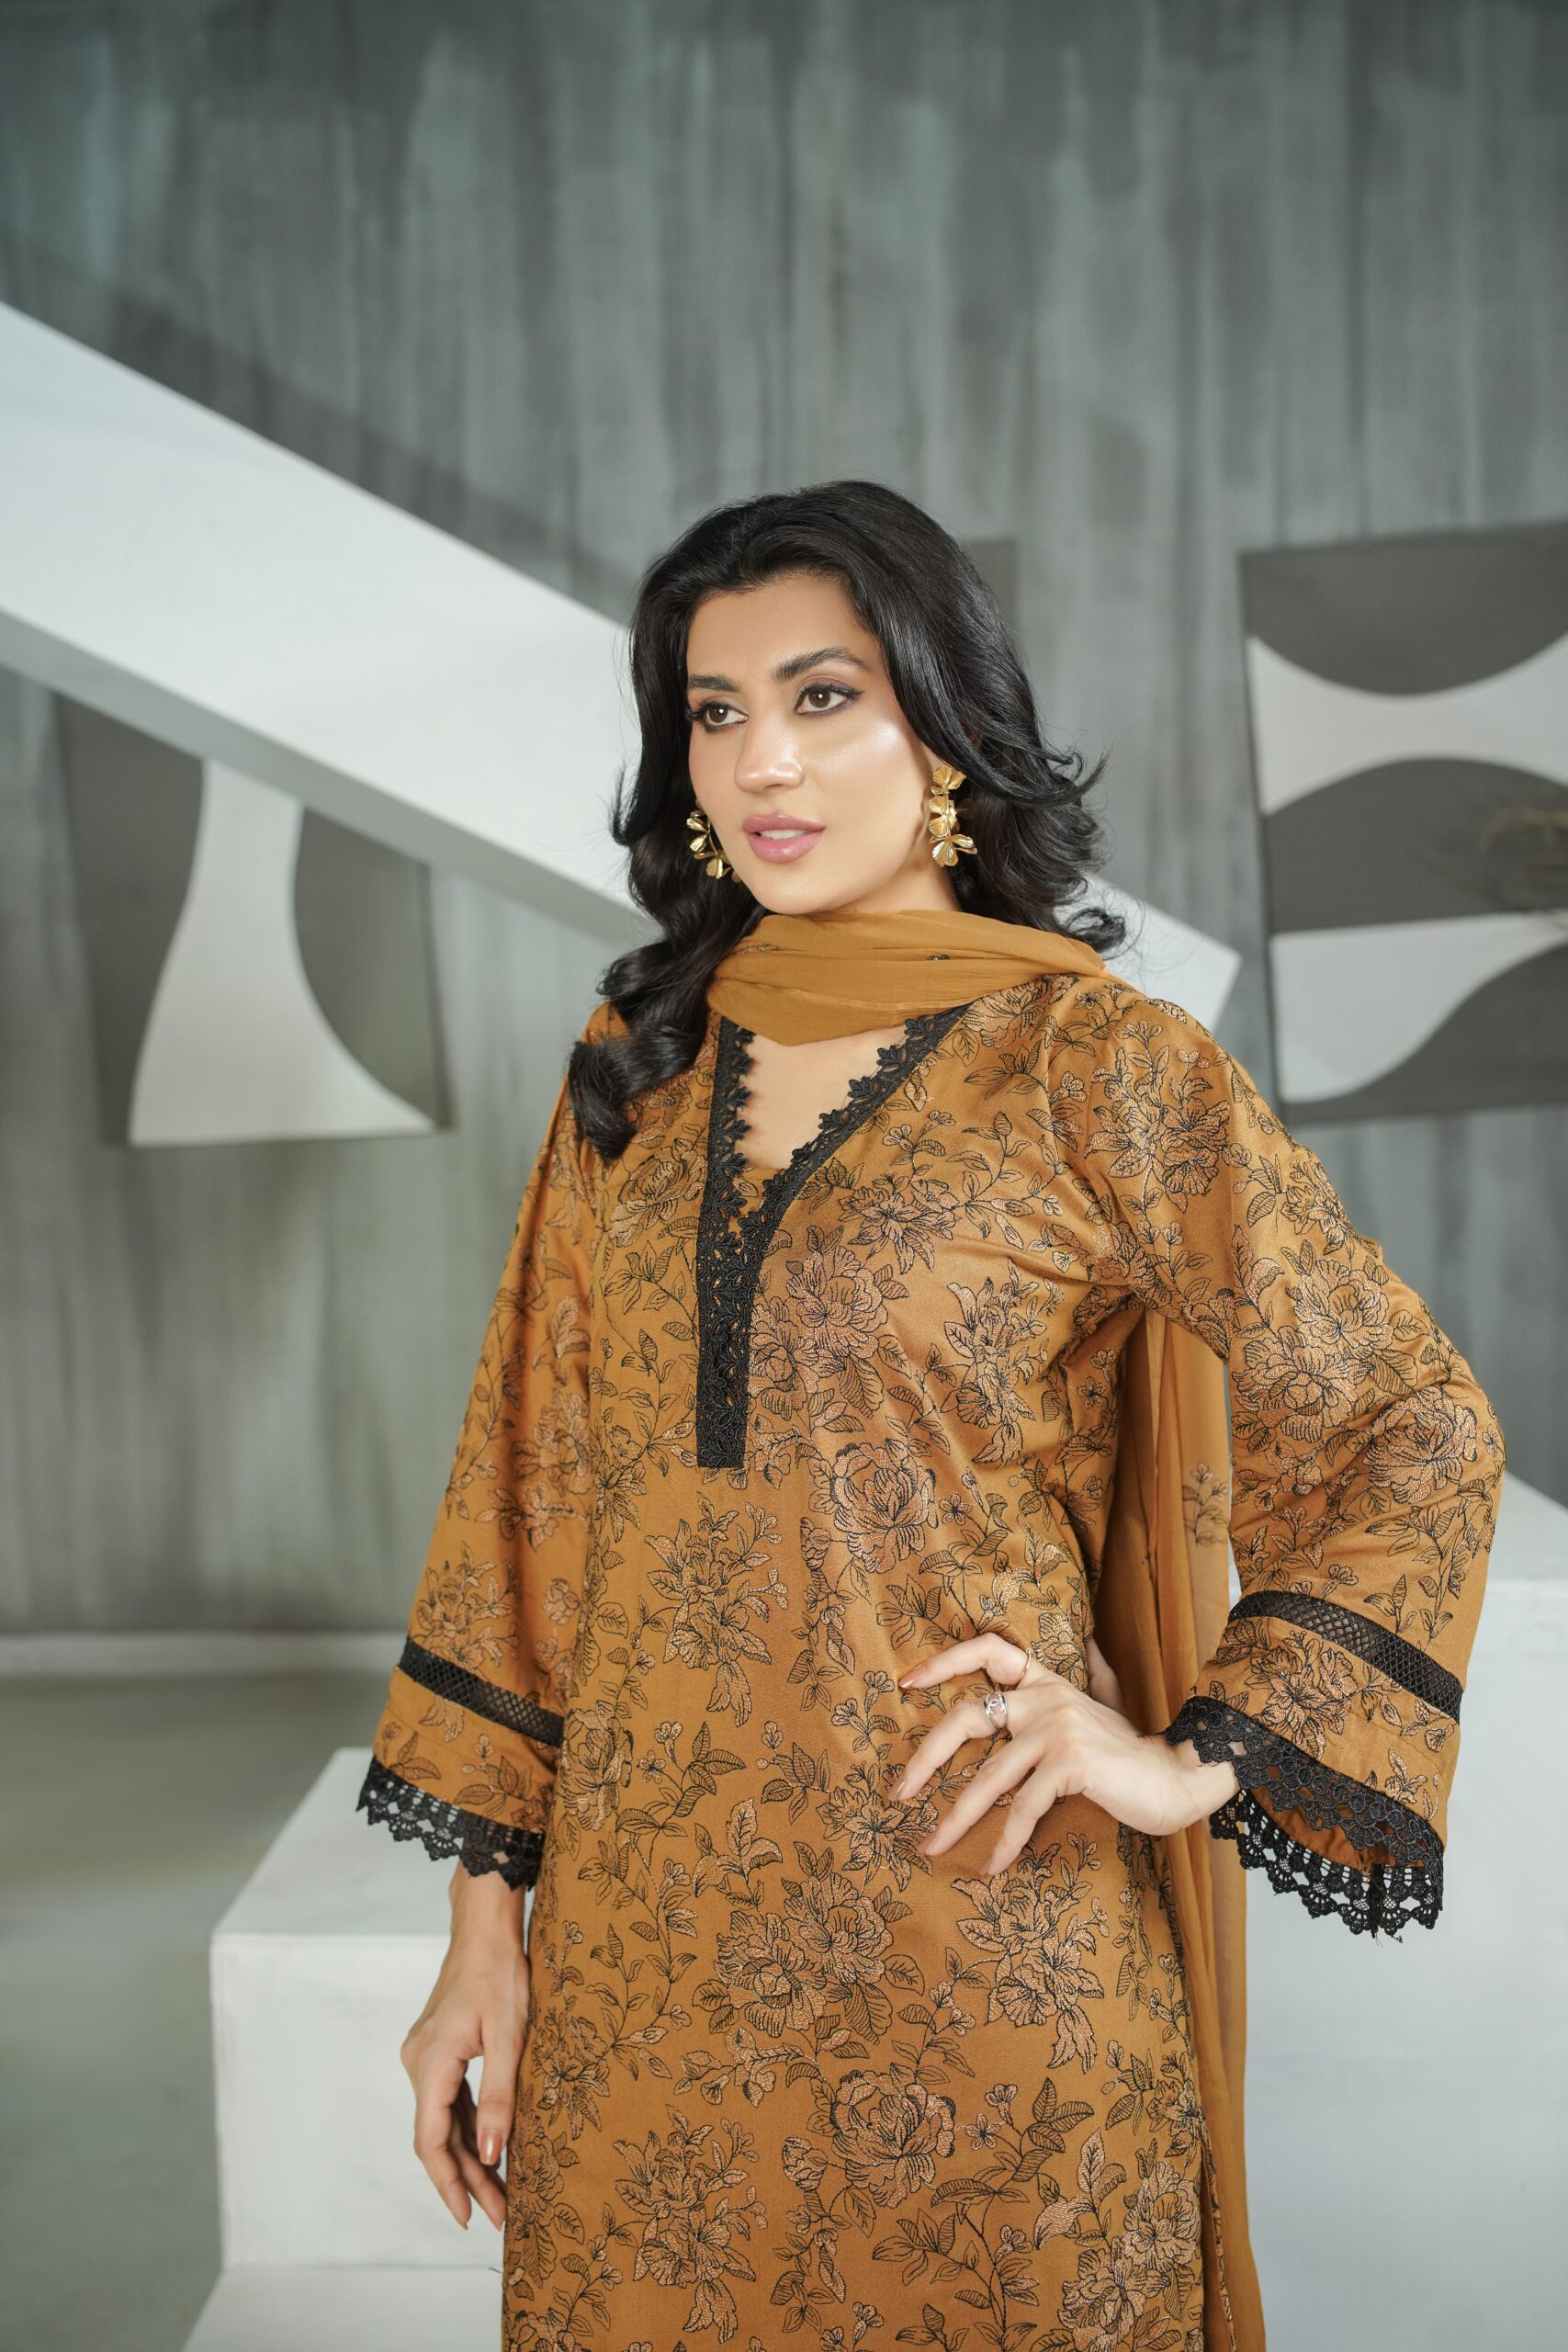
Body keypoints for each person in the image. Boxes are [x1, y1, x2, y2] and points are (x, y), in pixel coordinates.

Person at [356, 481, 1505, 2352]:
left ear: (946, 727)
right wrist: (483, 1937)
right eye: (714, 712)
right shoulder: (636, 1066)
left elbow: (1407, 1421)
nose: (760, 762)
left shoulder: (1094, 1066)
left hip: (984, 1943)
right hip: (647, 1970)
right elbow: (532, 1506)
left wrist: (1186, 1759)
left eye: (823, 697)